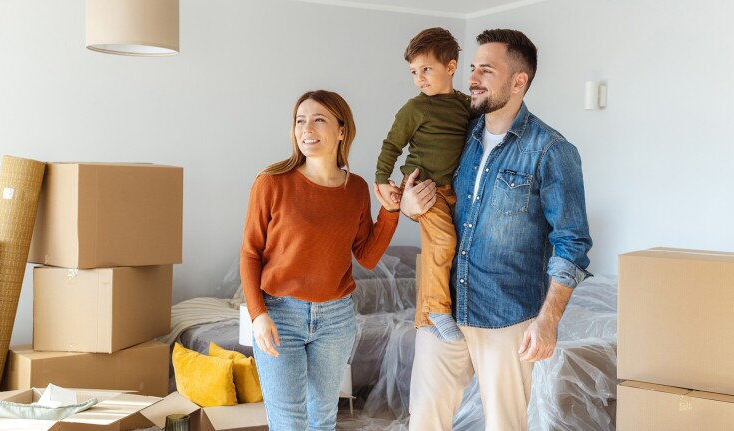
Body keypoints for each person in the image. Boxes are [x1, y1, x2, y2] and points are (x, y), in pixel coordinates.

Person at [403, 29, 593, 431]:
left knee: (505, 426)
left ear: (518, 81)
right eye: (472, 68)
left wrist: (548, 321)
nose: (472, 78)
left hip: (506, 317)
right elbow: (429, 192)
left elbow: (571, 243)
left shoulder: (552, 151)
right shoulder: (460, 135)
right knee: (422, 422)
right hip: (443, 310)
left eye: (486, 70)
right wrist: (407, 203)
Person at [240, 90, 400, 431]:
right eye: (300, 120)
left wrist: (390, 211)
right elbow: (250, 252)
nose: (306, 128)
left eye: (318, 119)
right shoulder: (271, 182)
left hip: (336, 319)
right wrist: (258, 315)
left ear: (342, 131)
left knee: (323, 421)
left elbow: (367, 257)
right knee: (289, 424)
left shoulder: (355, 189)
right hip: (280, 314)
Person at [375, 27, 471, 342]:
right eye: (414, 72)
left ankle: (428, 318)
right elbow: (391, 145)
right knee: (443, 243)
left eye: (426, 69)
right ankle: (439, 310)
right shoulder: (416, 108)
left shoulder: (465, 106)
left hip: (451, 188)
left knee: (443, 248)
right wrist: (381, 181)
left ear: (451, 67)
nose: (420, 78)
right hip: (422, 185)